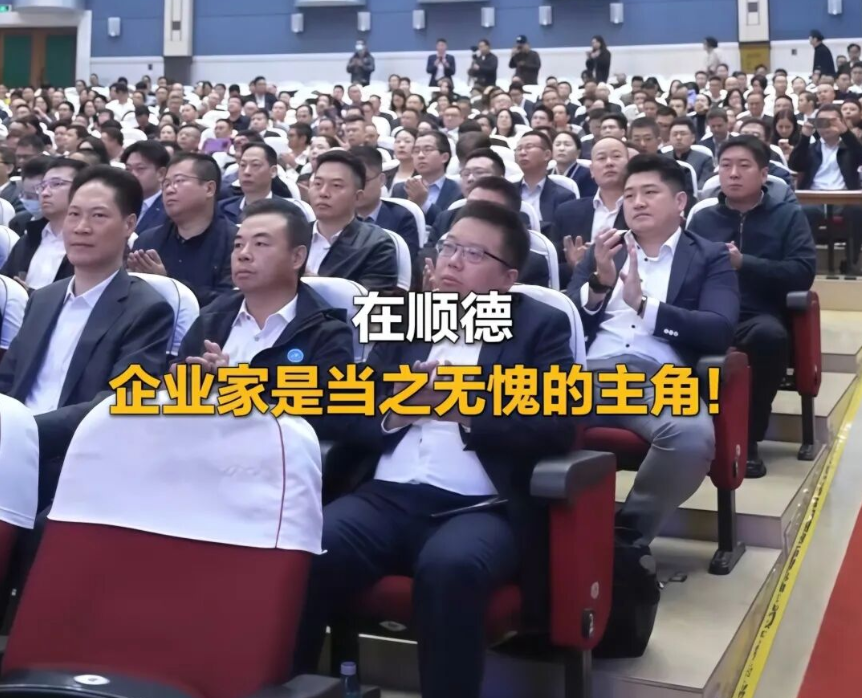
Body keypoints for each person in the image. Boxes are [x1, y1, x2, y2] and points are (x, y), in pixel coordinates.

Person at [292, 199, 577, 698]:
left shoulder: (540, 326)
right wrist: (399, 409)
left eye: (473, 254)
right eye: (448, 248)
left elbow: (556, 424)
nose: (452, 262)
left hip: (481, 506)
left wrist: (461, 406)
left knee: (450, 568)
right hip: (385, 497)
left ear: (507, 279)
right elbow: (346, 404)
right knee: (306, 547)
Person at [567, 153, 739, 546]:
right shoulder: (604, 250)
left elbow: (718, 329)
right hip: (587, 374)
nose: (637, 202)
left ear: (680, 202)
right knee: (508, 410)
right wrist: (598, 284)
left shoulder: (709, 256)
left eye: (649, 192)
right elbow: (561, 322)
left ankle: (625, 539)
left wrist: (645, 307)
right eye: (629, 195)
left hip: (657, 380)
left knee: (690, 437)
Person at [0, 166, 173, 508]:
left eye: (98, 216)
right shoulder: (44, 299)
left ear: (129, 224)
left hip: (71, 464)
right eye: (74, 214)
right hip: (10, 449)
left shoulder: (147, 310)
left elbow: (117, 402)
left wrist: (23, 432)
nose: (81, 227)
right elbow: (8, 378)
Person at [688, 136, 816, 477]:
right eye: (726, 166)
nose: (733, 173)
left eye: (743, 166)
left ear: (763, 174)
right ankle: (690, 437)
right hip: (708, 313)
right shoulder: (703, 219)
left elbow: (802, 272)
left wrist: (744, 263)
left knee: (768, 338)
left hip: (759, 315)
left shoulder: (788, 216)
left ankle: (747, 438)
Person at [174, 199, 353, 440]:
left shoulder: (326, 332)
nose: (243, 255)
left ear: (297, 257)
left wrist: (236, 387)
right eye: (238, 245)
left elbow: (329, 420)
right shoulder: (211, 318)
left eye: (260, 244)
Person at [130, 152, 237, 306]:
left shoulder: (235, 243)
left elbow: (229, 303)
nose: (169, 190)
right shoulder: (147, 240)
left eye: (179, 181)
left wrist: (168, 285)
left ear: (209, 188)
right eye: (166, 184)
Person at [307, 150, 397, 291]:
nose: (323, 192)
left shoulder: (376, 244)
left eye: (336, 185)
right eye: (317, 184)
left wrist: (316, 286)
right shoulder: (291, 236)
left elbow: (374, 300)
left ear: (358, 196)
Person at [789, 106, 862, 273]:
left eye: (832, 121)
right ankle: (807, 263)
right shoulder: (810, 148)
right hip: (814, 198)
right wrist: (805, 136)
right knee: (806, 212)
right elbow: (795, 164)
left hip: (845, 197)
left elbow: (860, 156)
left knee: (857, 211)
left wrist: (845, 133)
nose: (827, 126)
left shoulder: (850, 147)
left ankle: (851, 263)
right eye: (822, 122)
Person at [552, 137, 629, 287]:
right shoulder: (567, 212)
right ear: (592, 171)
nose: (609, 163)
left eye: (616, 156)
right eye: (601, 158)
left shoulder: (642, 210)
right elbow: (553, 268)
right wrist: (576, 266)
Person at [1, 158, 87, 290]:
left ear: (83, 189)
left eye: (56, 184)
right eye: (42, 186)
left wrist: (30, 295)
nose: (45, 193)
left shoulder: (89, 244)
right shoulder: (28, 239)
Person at [350, 145, 420, 260]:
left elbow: (405, 263)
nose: (357, 188)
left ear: (382, 180)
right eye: (350, 182)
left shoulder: (402, 218)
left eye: (364, 181)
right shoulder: (336, 216)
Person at [218, 143, 302, 225]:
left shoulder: (289, 213)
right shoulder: (221, 209)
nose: (246, 172)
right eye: (243, 165)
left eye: (255, 165)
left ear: (273, 171)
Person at [391, 131, 461, 226]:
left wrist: (423, 203)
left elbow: (448, 225)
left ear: (444, 157)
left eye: (427, 150)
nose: (420, 155)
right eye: (416, 151)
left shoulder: (457, 191)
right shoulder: (401, 188)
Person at [515, 131, 576, 223]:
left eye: (529, 147)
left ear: (547, 155)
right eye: (519, 149)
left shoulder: (564, 197)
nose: (522, 152)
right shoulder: (505, 192)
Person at [121, 140, 170, 232]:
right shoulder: (120, 203)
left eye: (140, 168)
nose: (133, 175)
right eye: (128, 169)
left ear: (161, 174)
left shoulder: (169, 209)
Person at [664, 117, 715, 189]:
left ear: (693, 138)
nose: (678, 137)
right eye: (675, 134)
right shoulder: (662, 158)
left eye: (683, 134)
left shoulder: (705, 159)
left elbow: (703, 186)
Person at [552, 131, 597, 198]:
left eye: (567, 145)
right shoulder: (546, 172)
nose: (561, 148)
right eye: (557, 144)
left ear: (578, 152)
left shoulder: (588, 175)